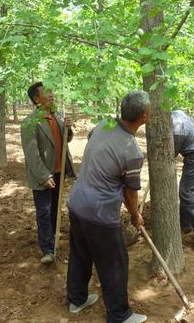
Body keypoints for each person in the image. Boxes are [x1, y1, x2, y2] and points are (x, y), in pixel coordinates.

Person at [67, 91, 150, 323]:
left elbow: (94, 140)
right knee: (115, 263)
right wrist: (135, 216)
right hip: (100, 214)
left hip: (76, 203)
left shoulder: (104, 124)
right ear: (145, 116)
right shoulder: (132, 152)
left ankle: (76, 299)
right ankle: (119, 315)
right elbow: (130, 192)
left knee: (80, 254)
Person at [20, 82, 75, 264]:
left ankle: (53, 239)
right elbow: (31, 153)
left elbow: (66, 139)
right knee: (43, 211)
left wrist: (69, 128)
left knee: (54, 209)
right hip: (42, 175)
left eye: (52, 92)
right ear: (36, 99)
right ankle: (47, 249)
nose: (52, 95)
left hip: (59, 171)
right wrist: (44, 176)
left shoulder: (57, 116)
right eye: (47, 93)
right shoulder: (30, 122)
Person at [171, 110, 194, 244]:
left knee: (186, 193)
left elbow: (170, 155)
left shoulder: (176, 131)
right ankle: (184, 224)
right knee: (186, 192)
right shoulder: (177, 113)